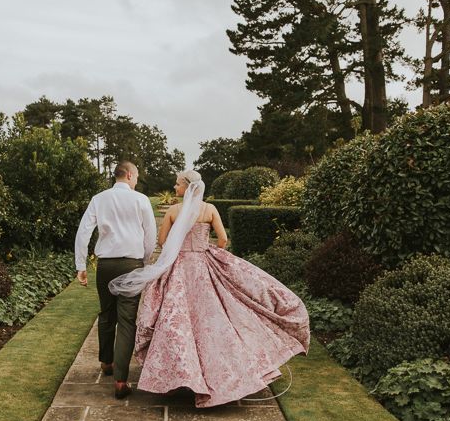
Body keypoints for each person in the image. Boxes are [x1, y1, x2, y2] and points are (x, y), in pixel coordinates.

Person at [108, 169, 310, 408]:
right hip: (203, 266)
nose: (175, 188)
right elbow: (223, 239)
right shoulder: (210, 210)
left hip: (179, 268)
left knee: (176, 322)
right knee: (212, 322)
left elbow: (163, 242)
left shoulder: (174, 211)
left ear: (186, 186)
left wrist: (178, 249)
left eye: (177, 184)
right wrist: (208, 251)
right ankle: (220, 375)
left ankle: (180, 375)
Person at [74, 161, 157, 399]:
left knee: (106, 313)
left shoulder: (99, 199)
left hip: (106, 265)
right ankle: (121, 380)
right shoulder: (141, 200)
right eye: (137, 176)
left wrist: (81, 265)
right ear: (129, 175)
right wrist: (145, 260)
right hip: (131, 263)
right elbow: (150, 234)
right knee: (127, 319)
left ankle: (106, 362)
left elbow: (83, 233)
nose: (137, 180)